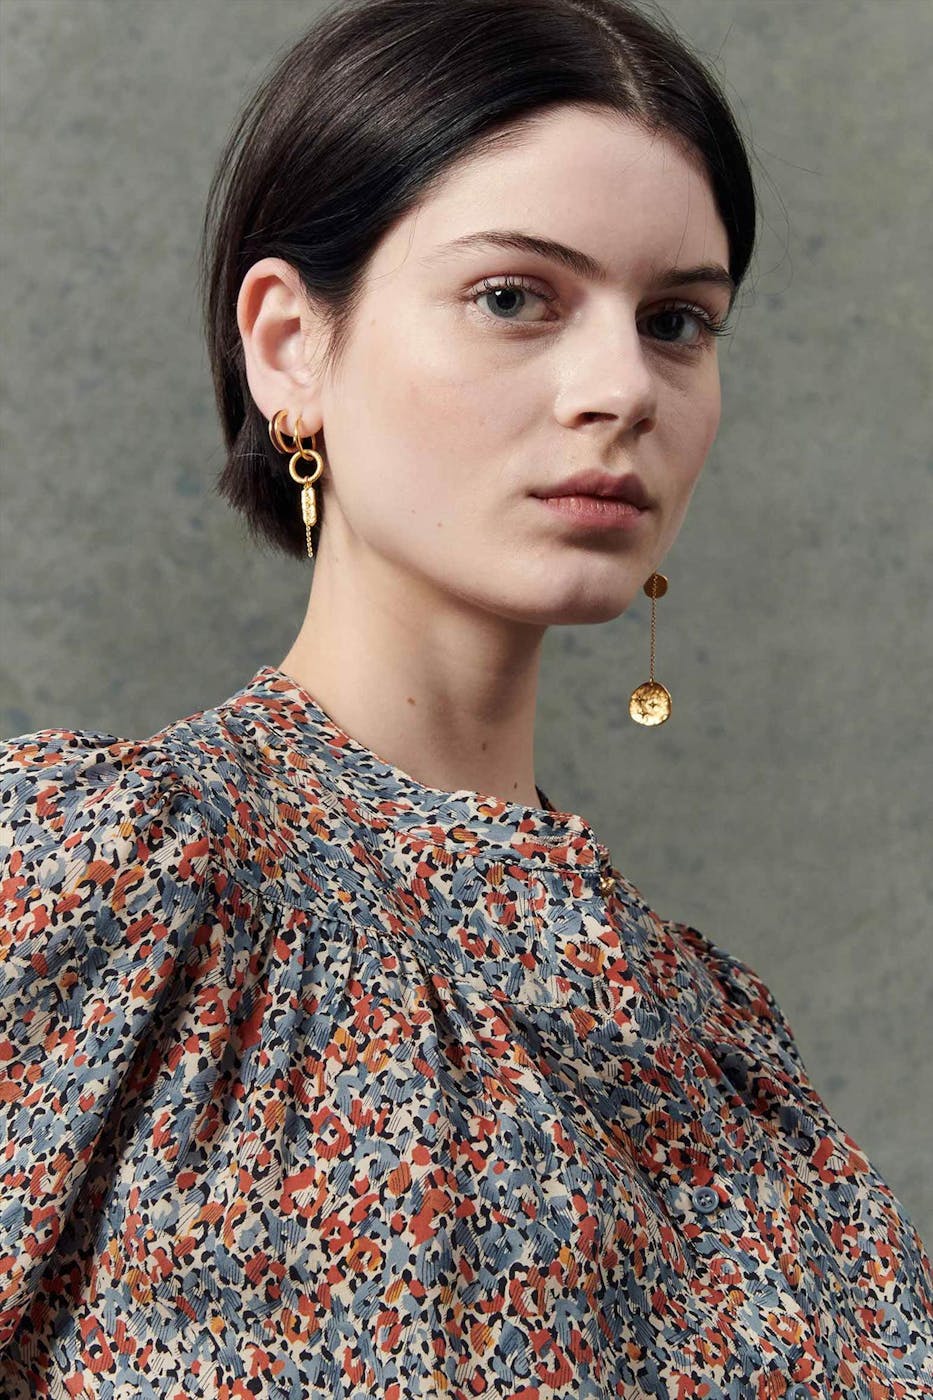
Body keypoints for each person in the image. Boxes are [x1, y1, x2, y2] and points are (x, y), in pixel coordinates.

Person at [1, 0, 930, 1394]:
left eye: (677, 321)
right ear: (289, 345)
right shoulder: (95, 880)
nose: (621, 387)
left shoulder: (724, 1050)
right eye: (513, 297)